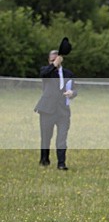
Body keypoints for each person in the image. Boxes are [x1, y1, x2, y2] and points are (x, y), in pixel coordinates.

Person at [35, 40, 77, 169]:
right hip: (47, 109)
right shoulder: (46, 71)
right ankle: (44, 159)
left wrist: (72, 93)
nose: (54, 61)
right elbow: (43, 74)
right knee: (46, 137)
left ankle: (61, 163)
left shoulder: (68, 74)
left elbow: (75, 89)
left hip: (63, 111)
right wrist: (54, 65)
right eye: (51, 60)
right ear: (49, 60)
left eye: (56, 59)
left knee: (62, 138)